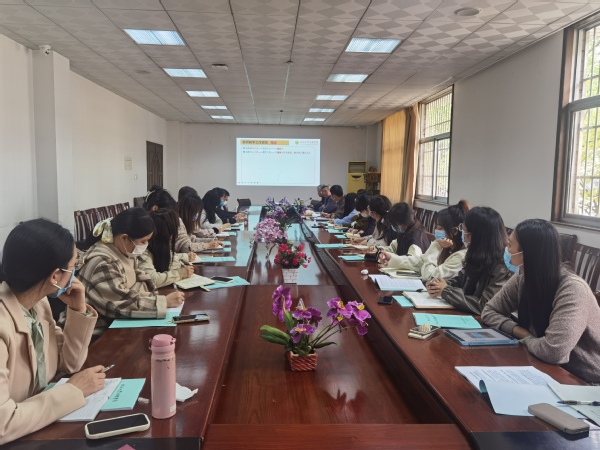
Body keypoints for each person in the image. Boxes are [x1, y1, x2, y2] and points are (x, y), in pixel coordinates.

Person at [0, 219, 105, 444]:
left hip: (36, 429)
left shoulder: (38, 304)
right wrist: (73, 391)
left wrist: (77, 310)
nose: (76, 272)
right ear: (56, 276)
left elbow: (69, 364)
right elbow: (3, 424)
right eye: (74, 265)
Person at [482, 219, 600, 383]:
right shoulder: (523, 278)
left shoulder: (573, 289)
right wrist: (520, 332)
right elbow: (489, 311)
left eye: (510, 244)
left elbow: (553, 352)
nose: (506, 249)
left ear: (527, 253)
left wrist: (528, 340)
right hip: (542, 364)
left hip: (584, 380)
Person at [78, 208, 184, 335]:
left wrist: (132, 292)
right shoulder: (102, 262)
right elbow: (121, 304)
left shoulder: (125, 252)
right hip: (95, 334)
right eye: (143, 241)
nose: (146, 245)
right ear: (124, 238)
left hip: (117, 324)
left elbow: (144, 282)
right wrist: (164, 302)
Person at [426, 206, 512, 314]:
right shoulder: (476, 255)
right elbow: (461, 280)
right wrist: (438, 285)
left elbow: (485, 305)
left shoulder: (503, 265)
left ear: (476, 235)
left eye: (464, 230)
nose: (462, 234)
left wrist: (446, 291)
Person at [379, 200, 470, 280]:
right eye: (436, 227)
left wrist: (435, 245)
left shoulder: (461, 257)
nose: (436, 230)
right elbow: (420, 262)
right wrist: (392, 258)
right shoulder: (446, 247)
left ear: (454, 231)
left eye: (440, 228)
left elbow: (429, 276)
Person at [139, 209, 196, 288]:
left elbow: (164, 254)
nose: (171, 237)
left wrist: (185, 256)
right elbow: (152, 280)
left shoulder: (156, 246)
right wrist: (180, 273)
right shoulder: (143, 249)